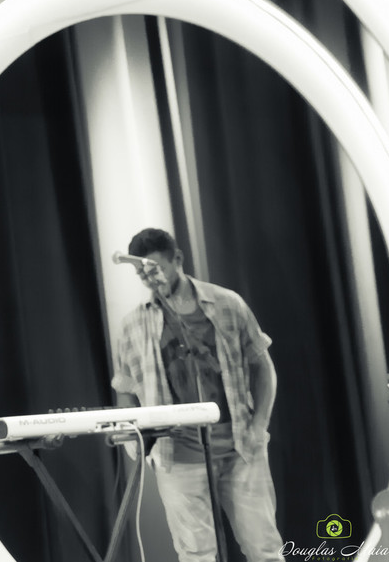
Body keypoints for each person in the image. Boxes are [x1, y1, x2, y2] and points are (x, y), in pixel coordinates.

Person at [112, 227, 282, 561]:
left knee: (264, 548)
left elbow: (263, 366)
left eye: (157, 269)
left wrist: (259, 426)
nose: (152, 279)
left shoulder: (227, 304)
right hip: (178, 458)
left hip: (241, 449)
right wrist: (136, 444)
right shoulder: (133, 324)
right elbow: (124, 388)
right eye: (142, 273)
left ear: (177, 259)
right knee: (196, 554)